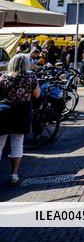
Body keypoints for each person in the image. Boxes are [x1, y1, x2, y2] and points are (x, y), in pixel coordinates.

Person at [0, 53, 40, 185]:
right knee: (17, 143)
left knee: (0, 143)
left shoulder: (3, 77)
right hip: (22, 111)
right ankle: (14, 174)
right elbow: (37, 94)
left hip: (4, 110)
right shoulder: (31, 77)